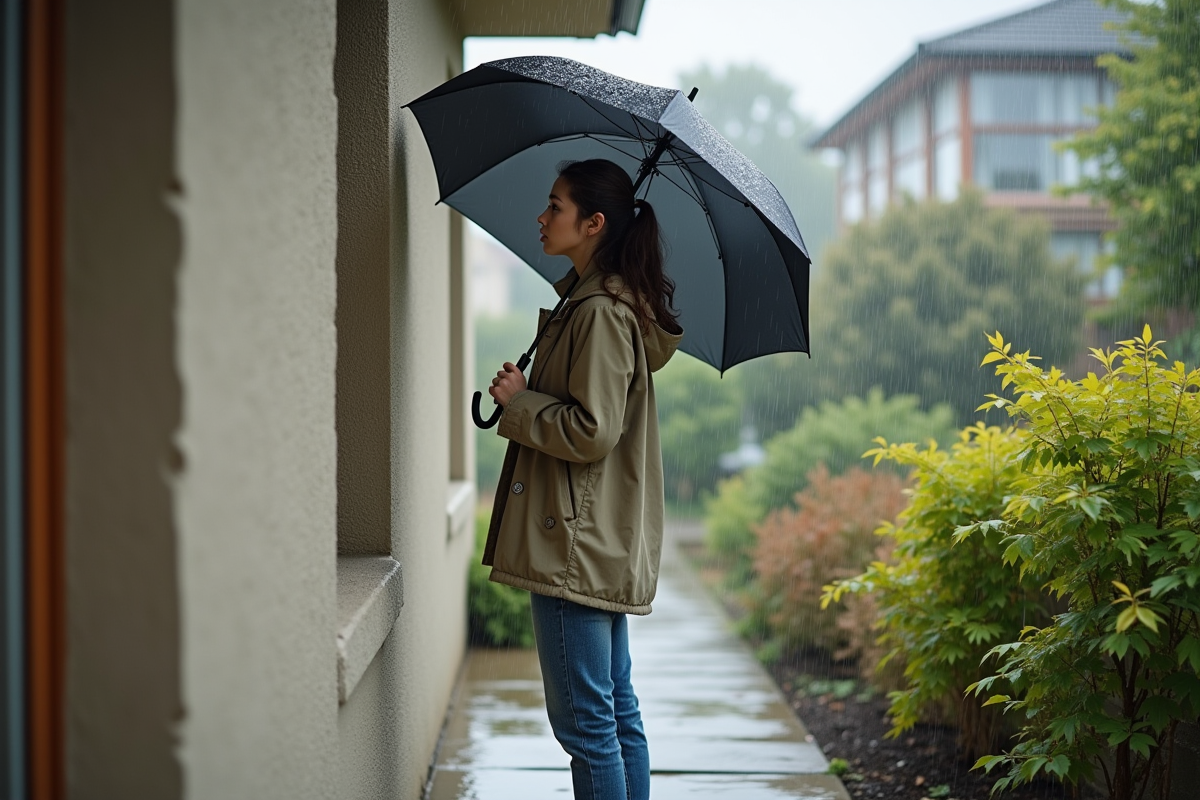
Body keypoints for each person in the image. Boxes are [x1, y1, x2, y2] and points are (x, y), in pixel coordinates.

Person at [482, 158, 683, 800]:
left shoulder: (599, 311)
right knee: (613, 710)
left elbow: (593, 430)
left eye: (556, 207)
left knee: (586, 722)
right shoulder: (603, 303)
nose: (541, 218)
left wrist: (519, 403)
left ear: (594, 223)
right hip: (591, 536)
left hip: (571, 539)